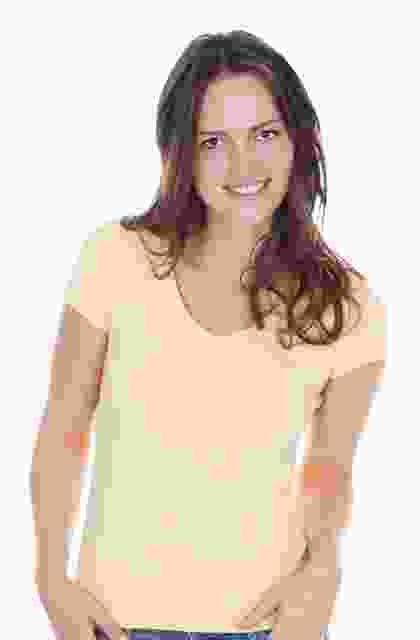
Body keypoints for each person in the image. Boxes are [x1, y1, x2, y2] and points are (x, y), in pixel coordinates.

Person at [29, 30, 386, 640]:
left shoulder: (348, 305)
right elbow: (64, 425)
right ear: (180, 154)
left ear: (299, 140)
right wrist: (50, 580)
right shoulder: (114, 259)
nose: (244, 166)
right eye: (213, 142)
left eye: (264, 135)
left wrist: (321, 577)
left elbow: (330, 469)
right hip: (115, 624)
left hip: (270, 627)